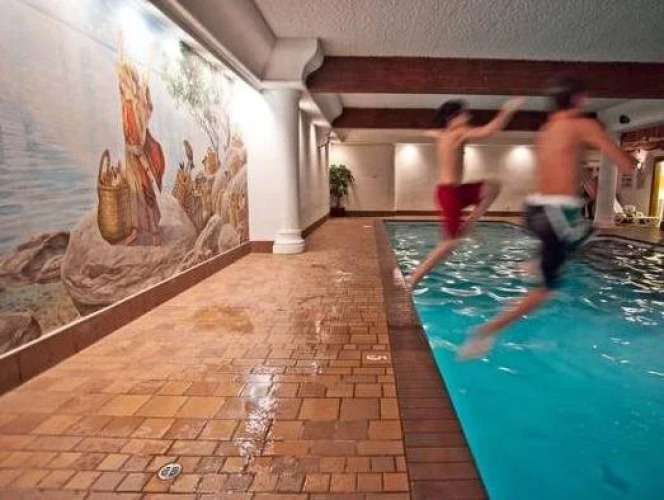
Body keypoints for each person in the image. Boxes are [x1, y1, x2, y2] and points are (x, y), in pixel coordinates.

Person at [459, 75, 637, 359]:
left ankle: (536, 260)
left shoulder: (547, 129)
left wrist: (585, 176)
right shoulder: (583, 124)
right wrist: (632, 160)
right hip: (557, 215)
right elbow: (626, 165)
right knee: (548, 290)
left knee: (586, 234)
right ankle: (487, 331)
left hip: (536, 210)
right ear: (579, 99)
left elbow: (565, 162)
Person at [407, 97, 526, 287]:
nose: (469, 116)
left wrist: (428, 131)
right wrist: (507, 111)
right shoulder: (458, 132)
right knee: (450, 243)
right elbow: (489, 130)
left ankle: (469, 225)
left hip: (456, 191)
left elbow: (434, 132)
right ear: (453, 117)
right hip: (449, 194)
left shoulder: (444, 134)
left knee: (492, 187)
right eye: (464, 113)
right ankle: (415, 277)